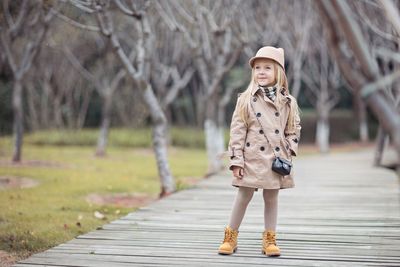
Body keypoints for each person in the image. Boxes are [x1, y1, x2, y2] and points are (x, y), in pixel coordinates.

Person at [218, 46, 301, 257]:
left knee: (271, 198)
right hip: (251, 158)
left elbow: (294, 129)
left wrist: (289, 149)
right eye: (257, 68)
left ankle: (269, 239)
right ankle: (230, 236)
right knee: (243, 196)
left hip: (275, 160)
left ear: (278, 73)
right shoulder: (245, 100)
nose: (261, 72)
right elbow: (237, 132)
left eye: (267, 68)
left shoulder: (288, 102)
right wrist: (236, 160)